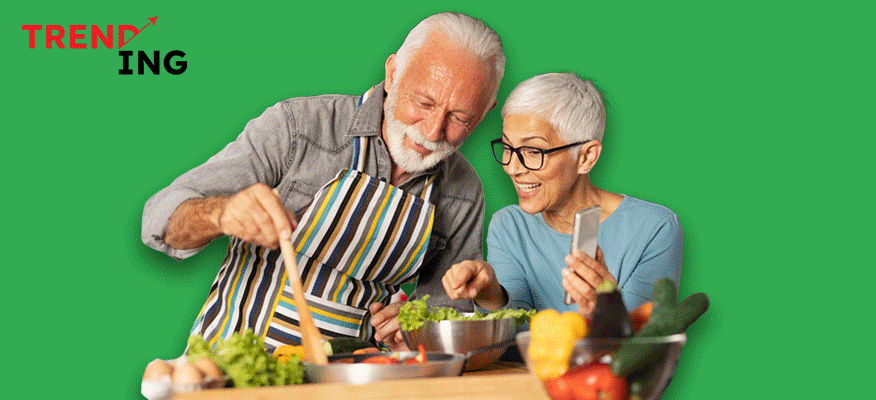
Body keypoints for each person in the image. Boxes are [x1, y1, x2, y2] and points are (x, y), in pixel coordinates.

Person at [141, 12, 504, 352]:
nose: (432, 130)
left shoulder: (462, 192)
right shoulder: (299, 127)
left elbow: (444, 320)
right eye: (424, 102)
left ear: (485, 112)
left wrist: (416, 326)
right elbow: (159, 220)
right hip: (229, 370)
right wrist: (219, 213)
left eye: (459, 117)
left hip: (350, 380)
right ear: (393, 74)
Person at [441, 72, 683, 316]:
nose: (512, 168)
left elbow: (645, 344)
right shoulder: (509, 226)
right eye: (507, 147)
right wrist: (489, 290)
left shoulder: (654, 228)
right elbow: (513, 330)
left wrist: (604, 311)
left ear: (586, 157)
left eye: (534, 151)